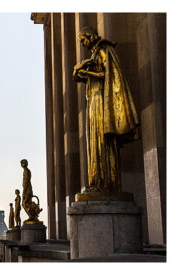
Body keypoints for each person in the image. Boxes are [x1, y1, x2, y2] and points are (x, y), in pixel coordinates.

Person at [73, 26, 139, 194]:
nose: (82, 44)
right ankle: (98, 181)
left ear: (90, 36)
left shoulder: (103, 49)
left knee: (101, 141)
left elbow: (106, 74)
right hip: (94, 100)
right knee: (95, 142)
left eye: (82, 40)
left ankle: (105, 183)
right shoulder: (96, 53)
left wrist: (87, 73)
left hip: (101, 99)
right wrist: (81, 74)